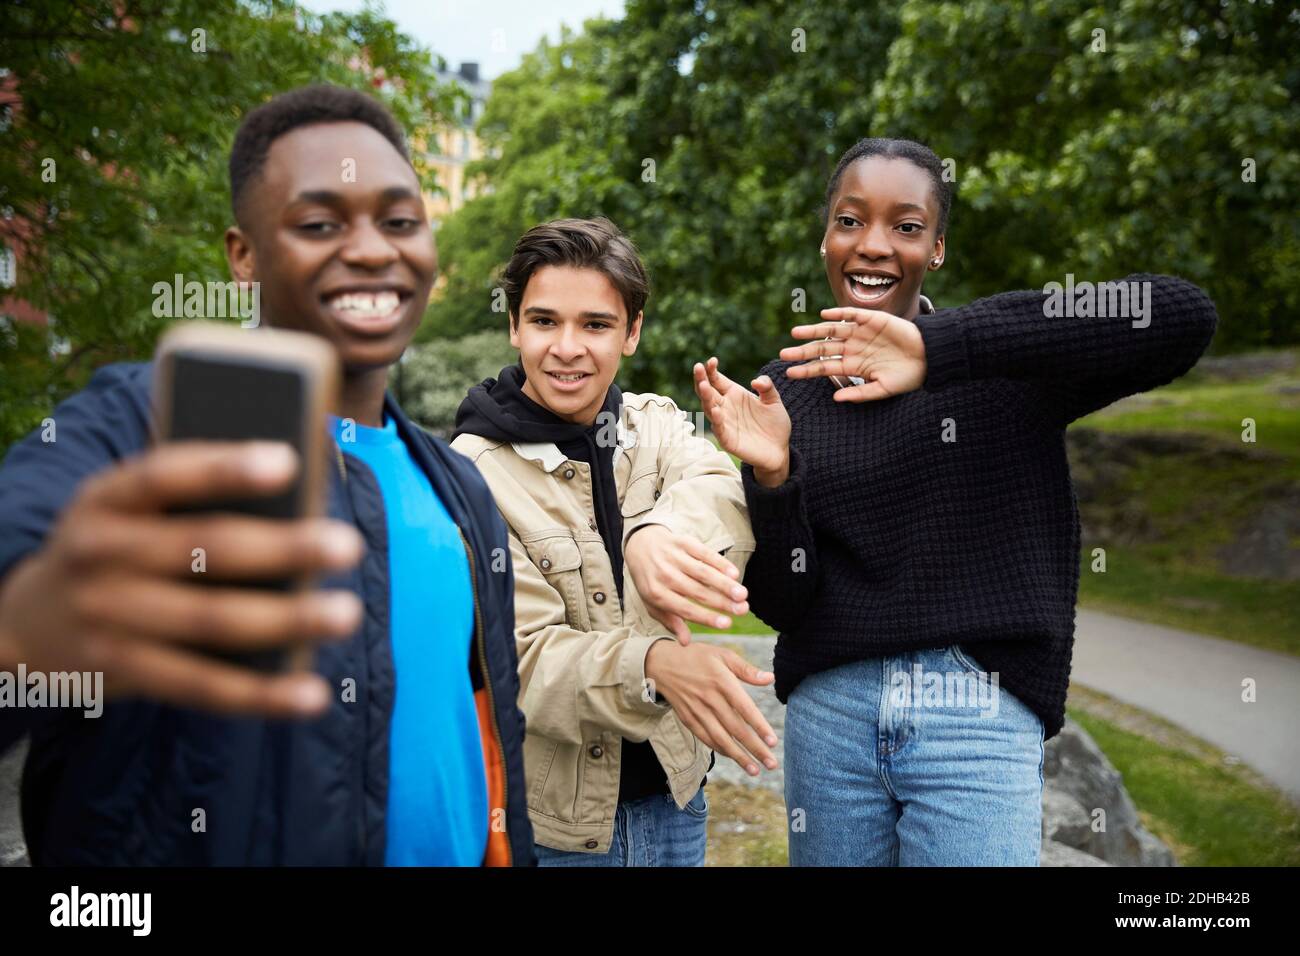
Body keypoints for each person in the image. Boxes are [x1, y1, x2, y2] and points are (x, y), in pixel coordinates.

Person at [0, 84, 534, 866]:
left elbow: (484, 733)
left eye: (400, 220)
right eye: (320, 223)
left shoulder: (458, 485)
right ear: (242, 255)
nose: (372, 249)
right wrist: (23, 637)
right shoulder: (139, 433)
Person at [693, 137, 1218, 866]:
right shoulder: (787, 389)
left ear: (936, 248)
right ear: (825, 236)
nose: (873, 245)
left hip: (977, 710)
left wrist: (939, 347)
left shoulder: (1006, 363)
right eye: (851, 220)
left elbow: (1183, 316)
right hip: (830, 716)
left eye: (906, 226)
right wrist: (776, 479)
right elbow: (784, 602)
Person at [451, 217, 778, 866]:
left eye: (596, 325)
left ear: (632, 333)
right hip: (558, 832)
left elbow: (717, 484)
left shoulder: (654, 424)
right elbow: (523, 661)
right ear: (514, 326)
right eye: (544, 321)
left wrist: (654, 534)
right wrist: (654, 665)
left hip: (678, 799)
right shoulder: (472, 473)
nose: (567, 347)